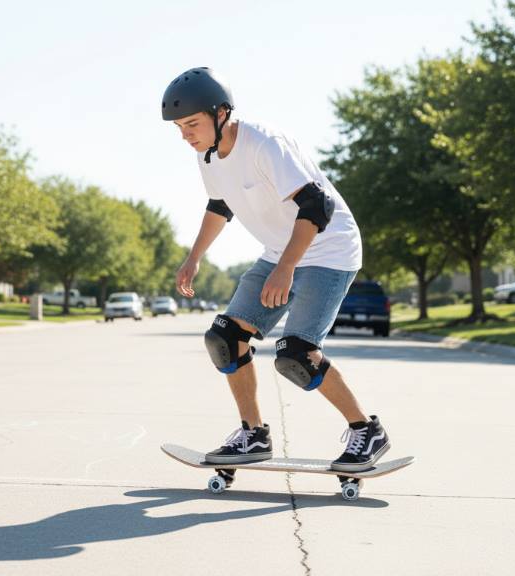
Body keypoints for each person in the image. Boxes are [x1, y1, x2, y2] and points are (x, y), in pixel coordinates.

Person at [163, 67, 390, 472]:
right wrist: (194, 256)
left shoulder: (265, 144)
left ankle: (366, 430)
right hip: (279, 249)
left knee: (296, 354)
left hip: (328, 248)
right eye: (180, 127)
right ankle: (253, 434)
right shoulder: (208, 155)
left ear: (222, 114)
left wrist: (285, 268)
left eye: (192, 124)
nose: (186, 135)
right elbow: (220, 205)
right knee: (225, 337)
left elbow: (316, 206)